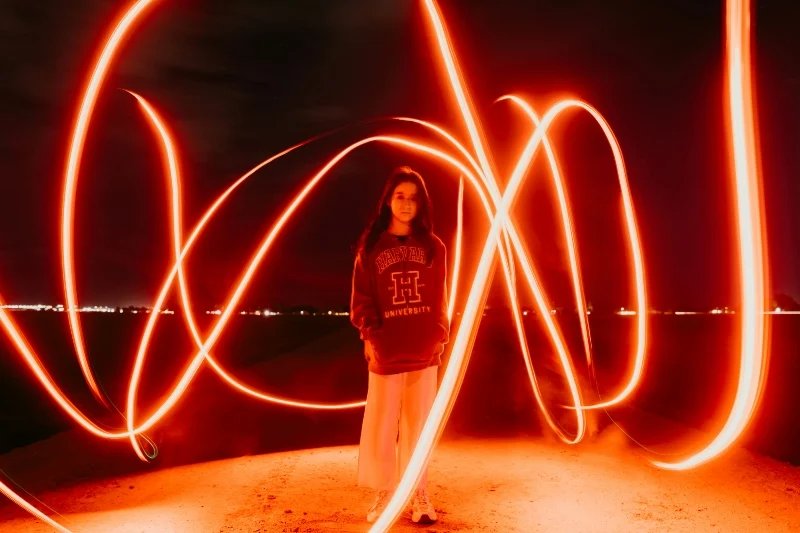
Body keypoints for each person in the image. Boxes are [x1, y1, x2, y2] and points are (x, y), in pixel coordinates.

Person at [350, 166, 449, 524]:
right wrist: (371, 335)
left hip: (424, 351)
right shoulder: (371, 247)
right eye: (400, 196)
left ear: (422, 204)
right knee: (382, 423)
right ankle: (385, 493)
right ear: (388, 201)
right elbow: (361, 300)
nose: (407, 204)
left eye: (414, 198)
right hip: (387, 350)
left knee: (419, 425)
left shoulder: (434, 247)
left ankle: (417, 493)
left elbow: (440, 297)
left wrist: (440, 333)